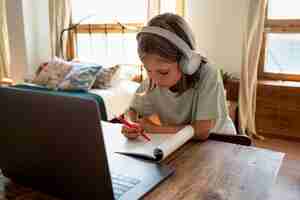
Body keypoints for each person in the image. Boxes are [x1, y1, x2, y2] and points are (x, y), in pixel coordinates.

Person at [121, 13, 236, 140]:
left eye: (163, 72)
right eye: (148, 70)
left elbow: (202, 131)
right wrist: (131, 123)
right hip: (182, 143)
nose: (155, 80)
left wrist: (154, 129)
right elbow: (132, 110)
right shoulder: (154, 79)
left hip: (221, 143)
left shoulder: (208, 74)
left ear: (187, 62)